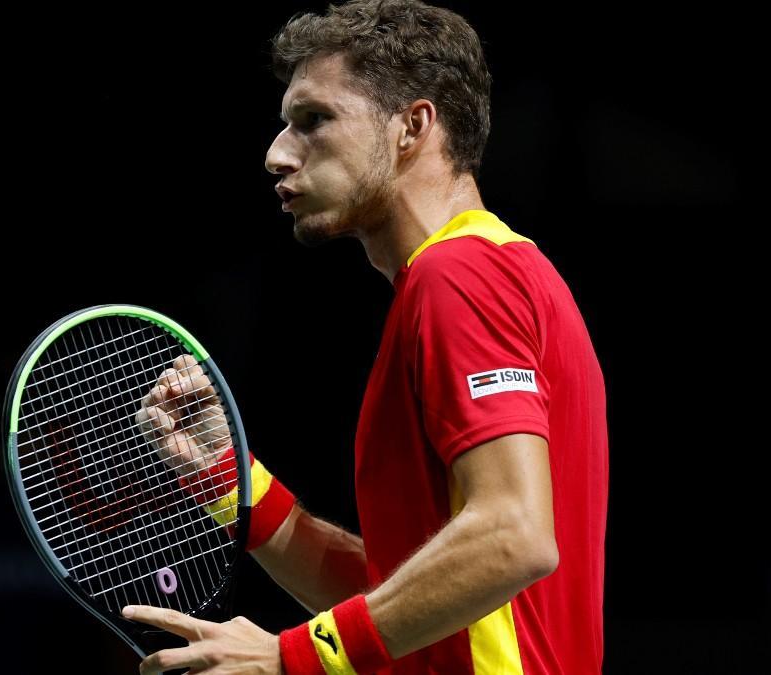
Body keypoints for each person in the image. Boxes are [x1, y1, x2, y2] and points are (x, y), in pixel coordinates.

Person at [126, 1, 608, 673]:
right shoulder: (481, 272)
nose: (276, 154)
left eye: (315, 120)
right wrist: (235, 483)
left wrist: (290, 655)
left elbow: (514, 534)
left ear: (413, 126)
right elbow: (409, 602)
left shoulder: (461, 273)